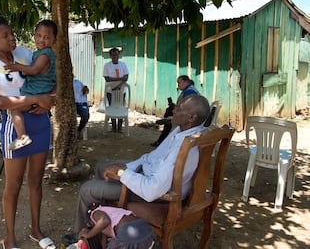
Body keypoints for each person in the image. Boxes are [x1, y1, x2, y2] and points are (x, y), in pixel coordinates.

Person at [63, 95, 210, 244]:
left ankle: (83, 236)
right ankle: (100, 226)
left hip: (155, 194)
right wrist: (128, 168)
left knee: (87, 190)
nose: (175, 109)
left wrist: (121, 173)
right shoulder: (183, 131)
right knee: (103, 165)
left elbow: (152, 189)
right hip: (149, 176)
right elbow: (153, 157)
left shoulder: (183, 147)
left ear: (192, 117)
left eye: (180, 108)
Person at [0, 15, 56, 249]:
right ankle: (10, 238)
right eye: (5, 36)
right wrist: (35, 99)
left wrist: (50, 99)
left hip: (40, 122)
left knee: (36, 181)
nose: (12, 38)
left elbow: (48, 75)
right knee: (14, 184)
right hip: (15, 127)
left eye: (12, 33)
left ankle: (36, 230)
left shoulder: (24, 53)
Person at [4, 19, 57, 150]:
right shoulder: (39, 53)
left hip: (36, 94)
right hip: (41, 94)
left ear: (53, 40)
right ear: (34, 35)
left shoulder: (46, 54)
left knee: (14, 108)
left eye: (46, 37)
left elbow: (34, 70)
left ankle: (22, 136)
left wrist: (17, 67)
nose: (41, 40)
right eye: (38, 35)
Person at [74, 204, 155, 249]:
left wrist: (88, 234)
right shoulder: (112, 211)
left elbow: (104, 221)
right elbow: (104, 241)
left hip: (129, 232)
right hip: (146, 231)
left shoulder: (94, 213)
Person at [150, 75, 199, 147]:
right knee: (169, 110)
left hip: (191, 117)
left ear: (185, 82)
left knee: (169, 113)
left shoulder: (190, 92)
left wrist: (174, 116)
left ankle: (163, 137)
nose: (178, 85)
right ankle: (163, 137)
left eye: (179, 82)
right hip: (189, 114)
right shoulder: (187, 90)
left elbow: (187, 109)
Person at [103, 47, 129, 133]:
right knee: (112, 107)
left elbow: (126, 77)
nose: (115, 56)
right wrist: (120, 80)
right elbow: (107, 79)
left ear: (119, 55)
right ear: (110, 56)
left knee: (121, 107)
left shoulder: (123, 65)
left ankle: (120, 127)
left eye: (117, 54)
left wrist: (119, 83)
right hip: (110, 91)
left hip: (122, 91)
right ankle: (113, 127)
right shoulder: (107, 66)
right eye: (113, 54)